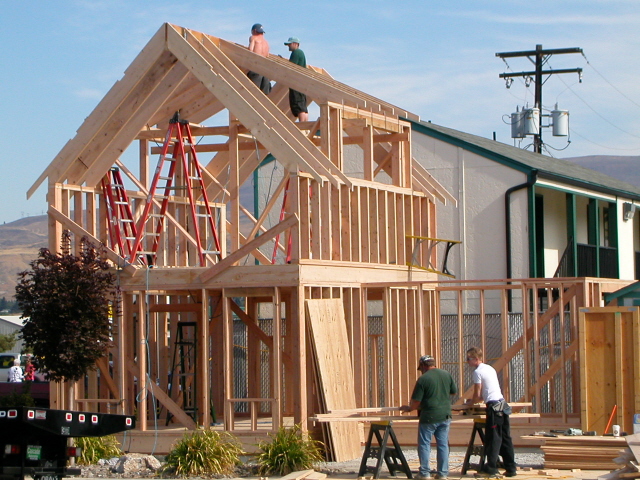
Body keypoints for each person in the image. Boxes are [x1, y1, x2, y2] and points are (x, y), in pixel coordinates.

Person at [400, 355, 457, 480]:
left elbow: (415, 402)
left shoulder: (423, 379)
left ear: (424, 366)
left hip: (429, 416)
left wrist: (409, 408)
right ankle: (442, 474)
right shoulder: (446, 374)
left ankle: (425, 473)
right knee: (442, 445)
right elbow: (453, 391)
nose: (421, 370)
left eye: (421, 368)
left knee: (425, 444)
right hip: (445, 415)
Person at [466, 347, 517, 478]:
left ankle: (491, 468)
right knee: (505, 437)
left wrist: (469, 403)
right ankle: (511, 468)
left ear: (476, 359)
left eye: (469, 359)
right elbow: (486, 393)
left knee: (493, 438)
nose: (467, 362)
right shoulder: (490, 368)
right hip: (502, 403)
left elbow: (478, 395)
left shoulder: (477, 372)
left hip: (494, 406)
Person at [284, 37, 308, 122]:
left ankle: (302, 126)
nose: (288, 46)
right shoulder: (300, 53)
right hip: (302, 83)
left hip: (296, 83)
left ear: (295, 44)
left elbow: (291, 67)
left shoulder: (296, 53)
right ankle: (305, 127)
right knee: (303, 106)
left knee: (298, 106)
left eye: (289, 44)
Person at [247, 23, 271, 95]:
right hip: (265, 69)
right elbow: (267, 55)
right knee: (263, 95)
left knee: (253, 93)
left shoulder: (253, 38)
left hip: (256, 67)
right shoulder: (266, 43)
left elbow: (250, 50)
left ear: (254, 31)